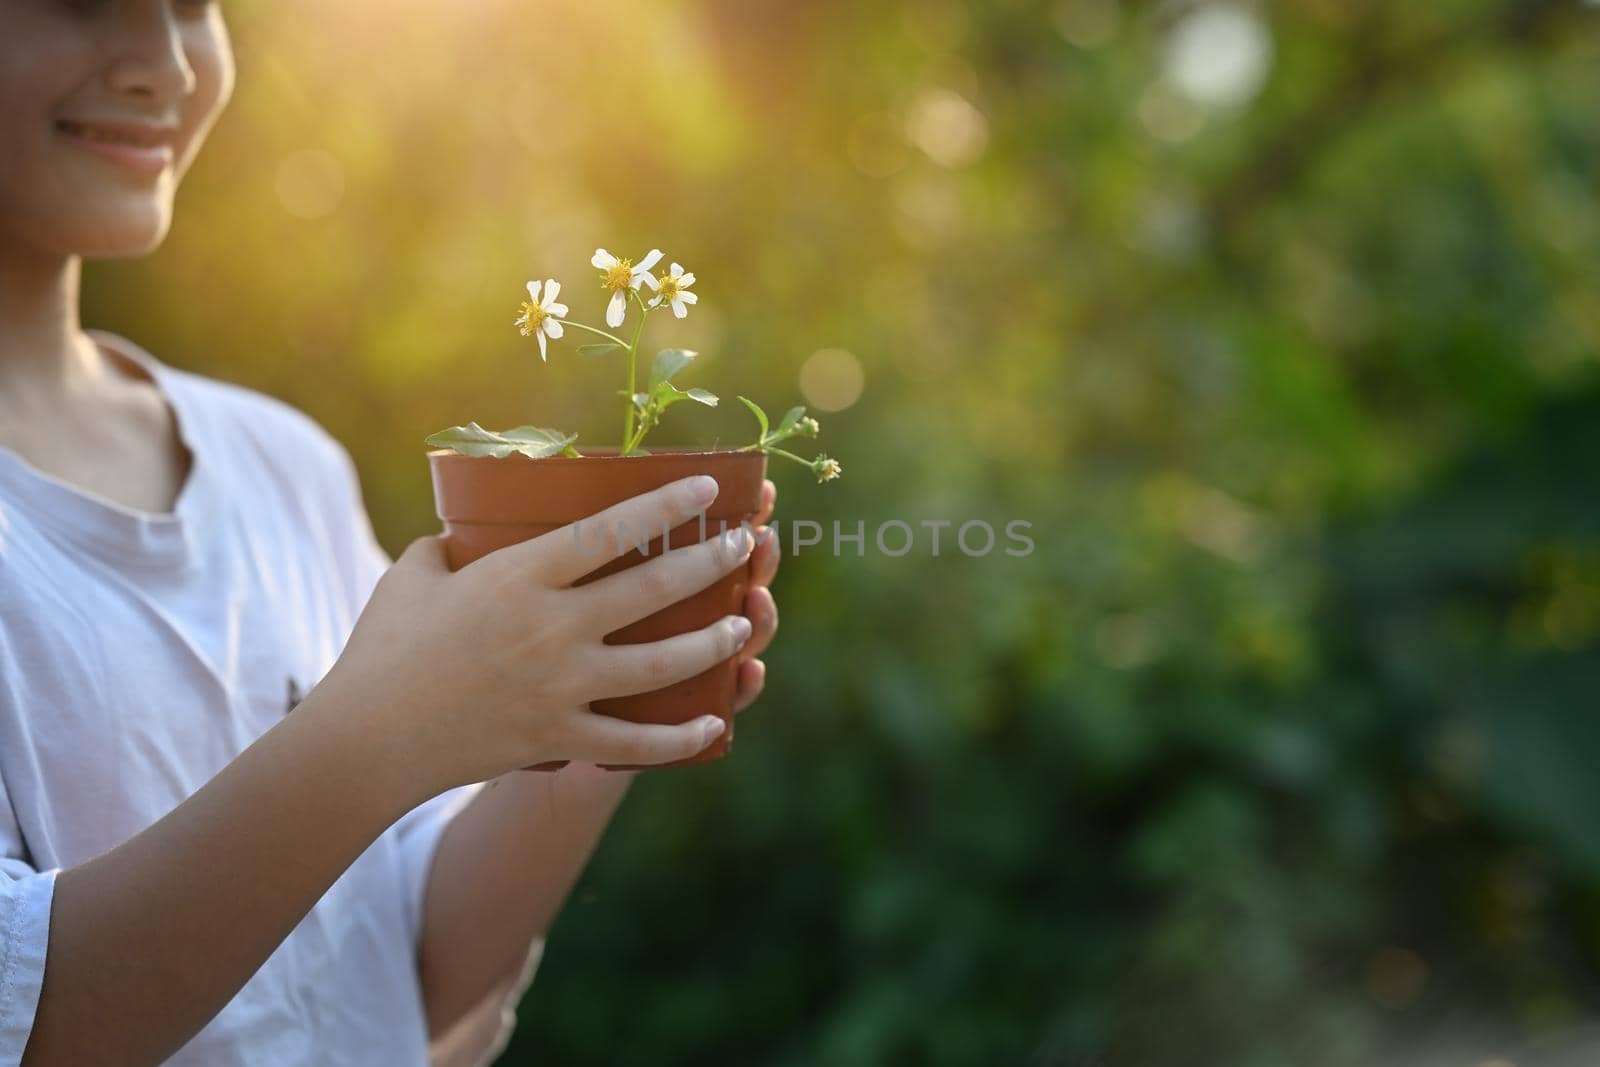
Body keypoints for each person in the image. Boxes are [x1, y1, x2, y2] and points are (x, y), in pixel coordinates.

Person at [0, 2, 782, 1064]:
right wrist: (382, 734)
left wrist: (587, 708)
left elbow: (404, 969)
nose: (165, 64)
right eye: (86, 0)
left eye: (194, 5)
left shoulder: (279, 464)